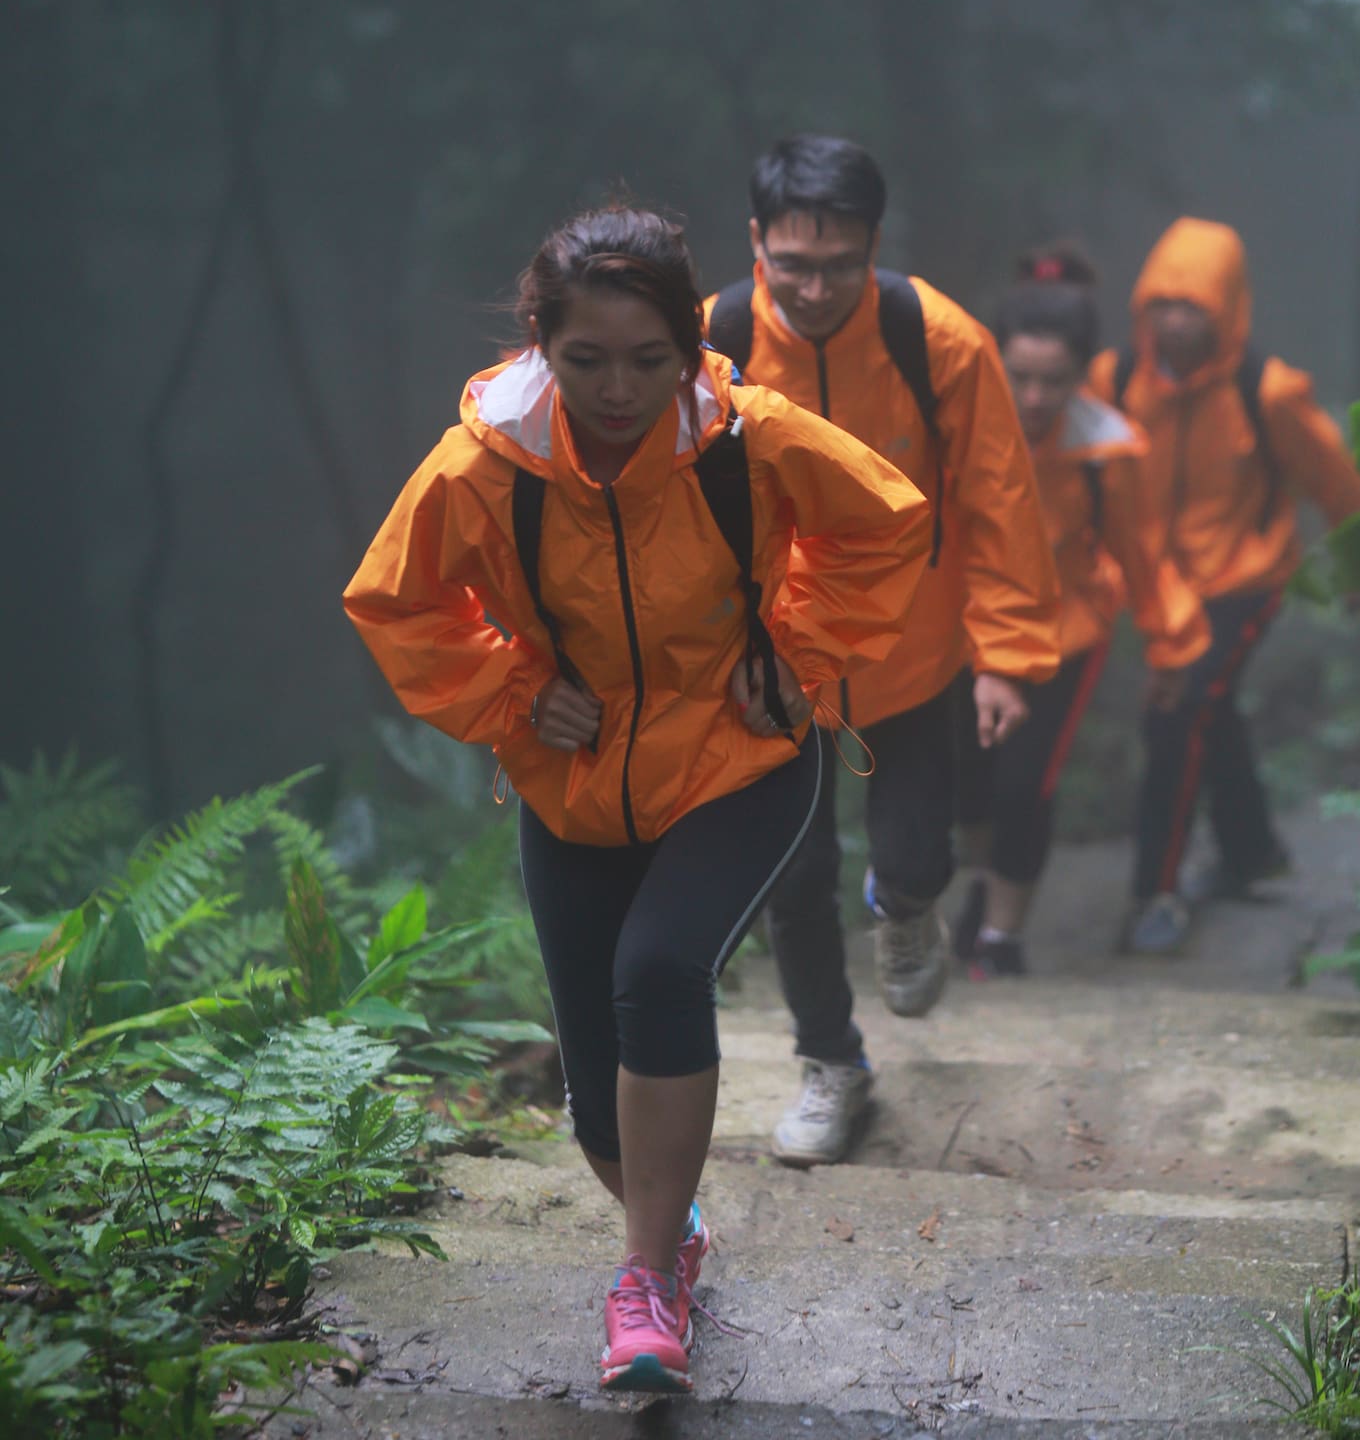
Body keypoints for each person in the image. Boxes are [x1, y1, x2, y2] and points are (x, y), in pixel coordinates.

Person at [344, 207, 930, 1395]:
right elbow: (399, 602)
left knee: (661, 971)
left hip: (740, 757)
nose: (619, 388)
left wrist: (796, 646)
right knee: (596, 1096)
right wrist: (512, 688)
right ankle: (671, 1224)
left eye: (648, 360)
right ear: (539, 347)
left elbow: (885, 525)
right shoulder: (484, 464)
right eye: (587, 359)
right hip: (572, 786)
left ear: (690, 346)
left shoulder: (745, 441)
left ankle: (648, 1283)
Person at [704, 136, 1059, 1167]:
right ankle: (832, 1062)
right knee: (794, 871)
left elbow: (999, 500)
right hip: (775, 667)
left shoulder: (937, 339)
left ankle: (906, 909)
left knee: (917, 856)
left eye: (839, 264)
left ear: (873, 249)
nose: (814, 288)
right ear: (758, 243)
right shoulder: (710, 343)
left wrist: (1006, 655)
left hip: (911, 653)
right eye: (793, 263)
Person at [1089, 217, 1360, 955]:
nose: (1176, 323)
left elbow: (1335, 482)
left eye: (1195, 308)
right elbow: (1078, 478)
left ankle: (1155, 891)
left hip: (1244, 578)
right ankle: (1252, 851)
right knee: (1210, 711)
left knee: (1179, 713)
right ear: (1142, 306)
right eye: (1164, 305)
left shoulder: (1267, 392)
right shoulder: (1113, 381)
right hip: (1159, 587)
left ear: (1228, 311)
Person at [952, 246, 1210, 976]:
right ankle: (982, 884)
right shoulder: (958, 431)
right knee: (968, 781)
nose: (1034, 398)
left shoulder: (1106, 449)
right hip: (967, 632)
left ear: (1084, 374)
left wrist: (1171, 647)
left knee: (1026, 781)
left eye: (1054, 382)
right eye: (1020, 378)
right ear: (993, 362)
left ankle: (1002, 938)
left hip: (1065, 632)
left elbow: (1143, 554)